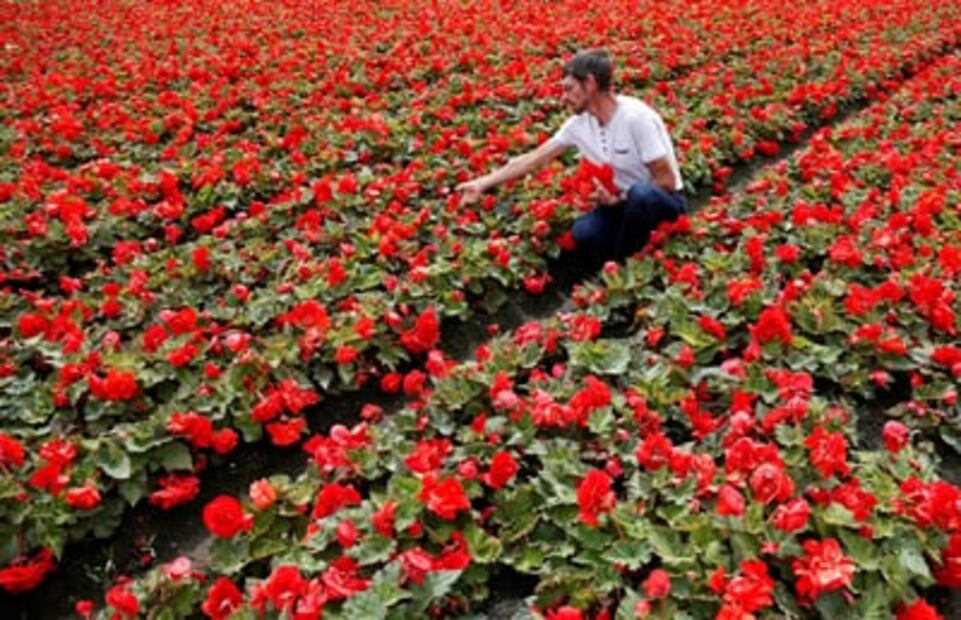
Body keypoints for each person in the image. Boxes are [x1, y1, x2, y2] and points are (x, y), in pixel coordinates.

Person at [457, 49, 687, 264]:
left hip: (659, 201)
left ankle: (623, 262)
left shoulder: (635, 118)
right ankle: (624, 250)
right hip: (618, 202)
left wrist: (620, 199)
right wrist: (481, 183)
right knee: (583, 235)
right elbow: (533, 158)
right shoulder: (578, 124)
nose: (563, 97)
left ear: (590, 83)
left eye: (568, 89)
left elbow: (665, 181)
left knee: (641, 194)